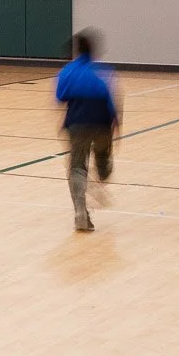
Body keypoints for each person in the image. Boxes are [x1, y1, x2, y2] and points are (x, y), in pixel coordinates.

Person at [56, 29, 121, 233]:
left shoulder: (67, 71)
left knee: (77, 167)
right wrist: (117, 125)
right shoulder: (103, 72)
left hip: (77, 124)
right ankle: (102, 171)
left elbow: (60, 97)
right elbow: (111, 103)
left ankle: (80, 213)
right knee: (102, 156)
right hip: (102, 124)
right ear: (93, 50)